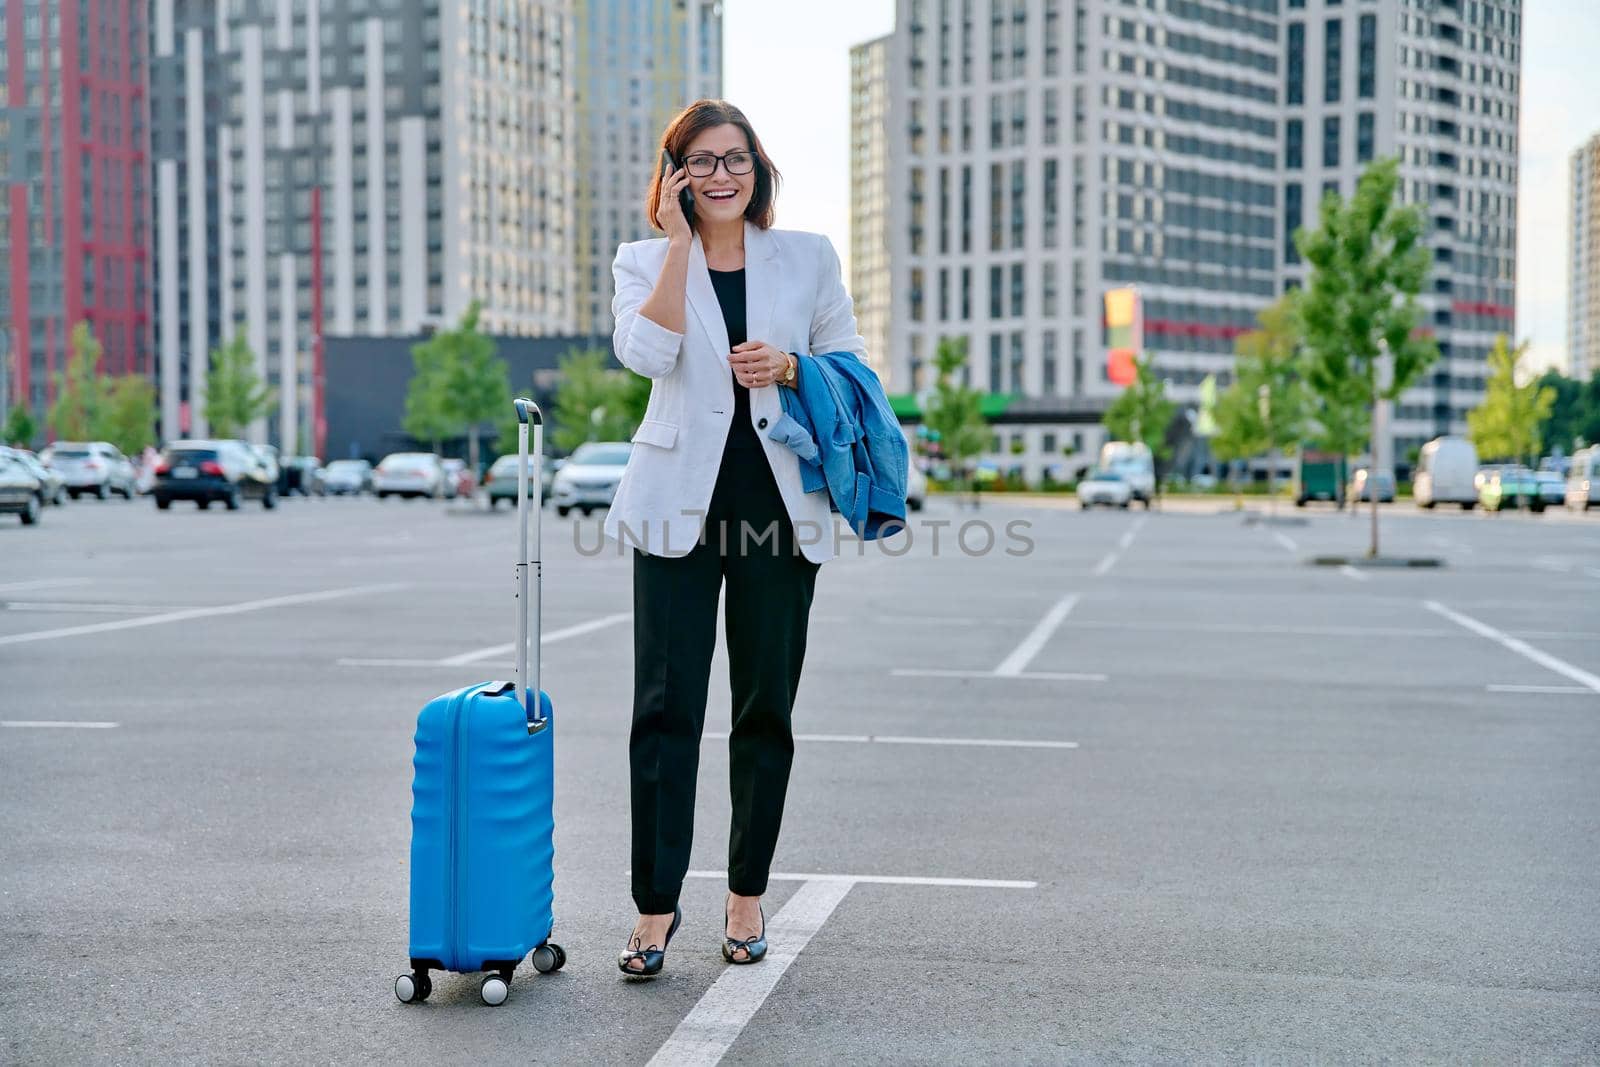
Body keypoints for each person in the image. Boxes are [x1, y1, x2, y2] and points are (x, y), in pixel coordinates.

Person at [603, 99, 869, 978]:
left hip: (778, 512)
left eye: (737, 159)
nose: (723, 175)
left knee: (764, 712)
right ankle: (653, 908)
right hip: (676, 506)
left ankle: (747, 894)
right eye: (703, 162)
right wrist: (678, 244)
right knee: (664, 713)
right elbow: (644, 357)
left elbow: (853, 363)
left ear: (759, 169)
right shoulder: (643, 259)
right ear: (676, 174)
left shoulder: (808, 257)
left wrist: (790, 367)